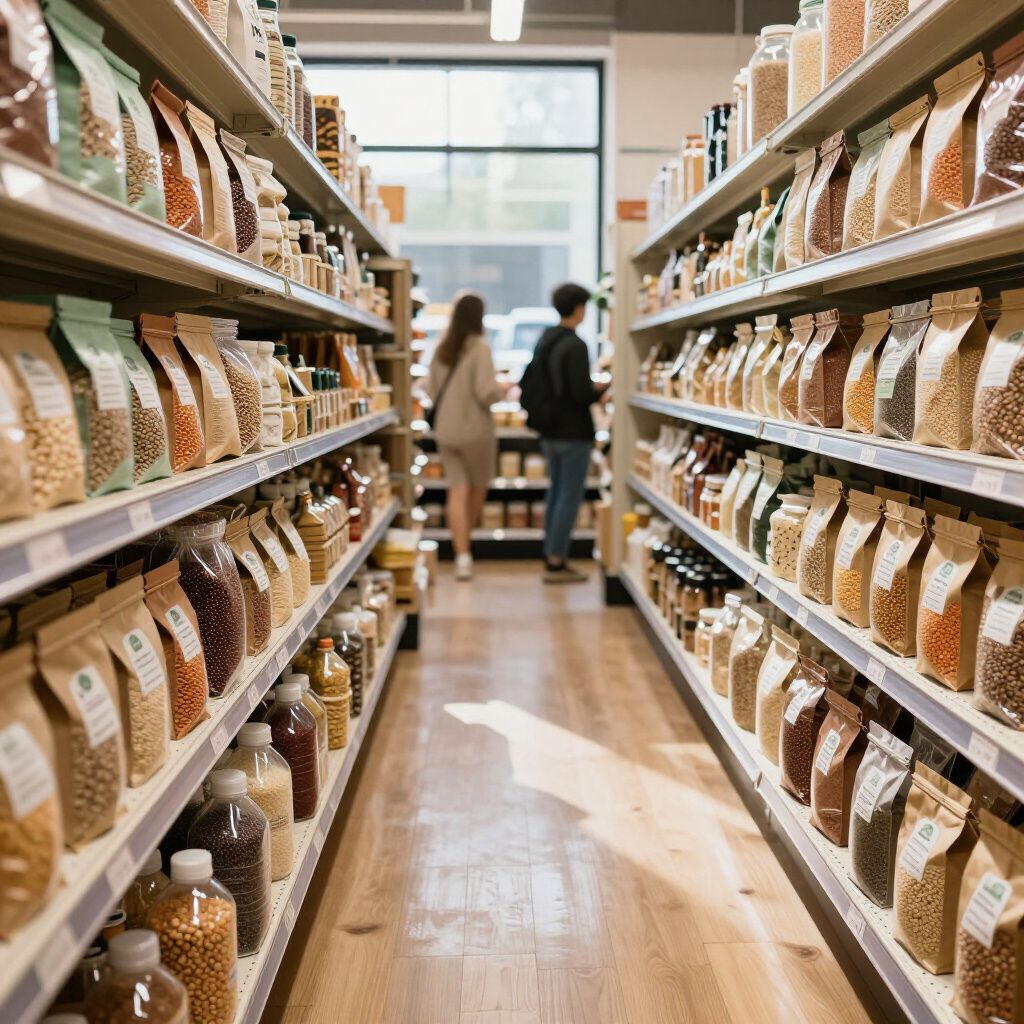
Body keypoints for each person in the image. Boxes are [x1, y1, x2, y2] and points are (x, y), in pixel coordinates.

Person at [423, 291, 507, 581]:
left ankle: (462, 556)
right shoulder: (480, 349)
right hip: (476, 431)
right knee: (477, 487)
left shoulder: (441, 348)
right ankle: (466, 544)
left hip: (446, 430)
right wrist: (503, 389)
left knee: (456, 489)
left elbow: (430, 390)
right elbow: (486, 393)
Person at [528, 282, 608, 584]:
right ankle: (557, 560)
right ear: (578, 308)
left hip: (548, 430)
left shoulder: (546, 339)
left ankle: (550, 552)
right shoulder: (575, 344)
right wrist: (600, 390)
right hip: (573, 432)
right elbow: (579, 393)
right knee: (568, 498)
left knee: (555, 493)